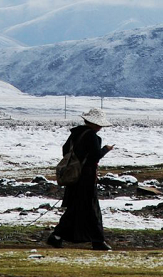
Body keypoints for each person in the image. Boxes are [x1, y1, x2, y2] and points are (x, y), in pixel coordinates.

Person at [46, 107, 114, 251]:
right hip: (86, 179)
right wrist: (106, 150)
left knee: (75, 208)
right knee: (91, 209)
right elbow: (95, 156)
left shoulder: (76, 134)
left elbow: (66, 151)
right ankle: (98, 241)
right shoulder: (92, 136)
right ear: (95, 124)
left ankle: (57, 236)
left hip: (74, 177)